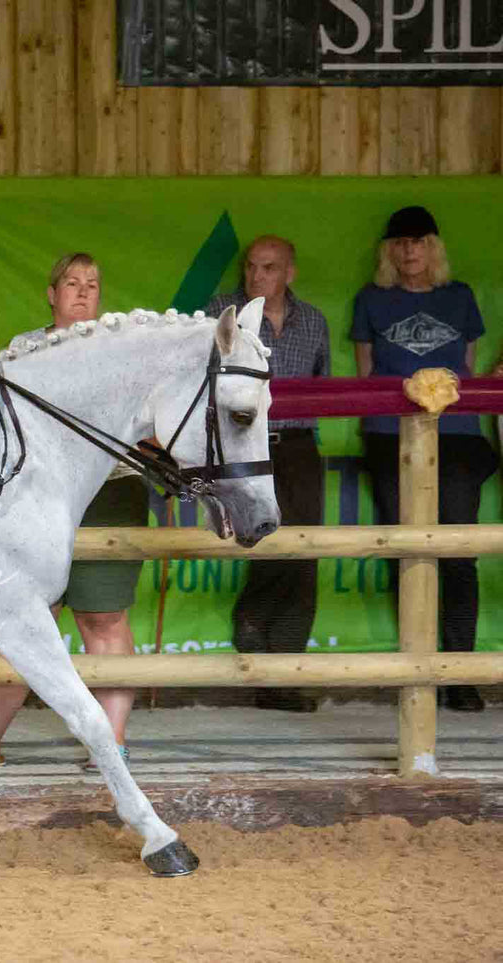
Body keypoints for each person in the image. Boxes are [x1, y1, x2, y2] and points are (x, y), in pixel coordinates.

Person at [0, 254, 145, 770]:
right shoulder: (23, 351)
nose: (82, 292)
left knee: (105, 617)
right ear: (52, 294)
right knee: (24, 619)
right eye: (71, 283)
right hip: (33, 500)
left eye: (92, 284)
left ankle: (110, 744)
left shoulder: (126, 352)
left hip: (110, 497)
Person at [352, 205, 493, 713]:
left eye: (419, 240)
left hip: (455, 436)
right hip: (390, 436)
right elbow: (368, 374)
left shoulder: (459, 299)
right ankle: (415, 670)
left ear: (434, 247)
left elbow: (468, 368)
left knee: (458, 551)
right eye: (400, 242)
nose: (410, 250)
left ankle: (460, 672)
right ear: (389, 251)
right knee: (408, 552)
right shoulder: (372, 300)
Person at [207, 236, 331, 712]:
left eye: (270, 268)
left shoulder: (315, 320)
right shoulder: (223, 312)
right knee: (266, 542)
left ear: (289, 273)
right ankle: (254, 635)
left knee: (305, 553)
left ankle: (284, 674)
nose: (258, 277)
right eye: (252, 267)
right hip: (242, 447)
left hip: (296, 446)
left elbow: (322, 386)